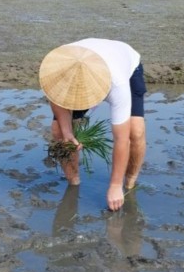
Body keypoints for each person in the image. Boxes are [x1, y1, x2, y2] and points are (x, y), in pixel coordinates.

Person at [39, 38, 147, 211]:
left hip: (125, 63)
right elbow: (56, 97)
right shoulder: (59, 68)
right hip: (76, 65)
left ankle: (129, 184)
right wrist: (67, 132)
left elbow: (122, 140)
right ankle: (73, 184)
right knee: (58, 130)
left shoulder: (117, 83)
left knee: (136, 131)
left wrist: (115, 185)